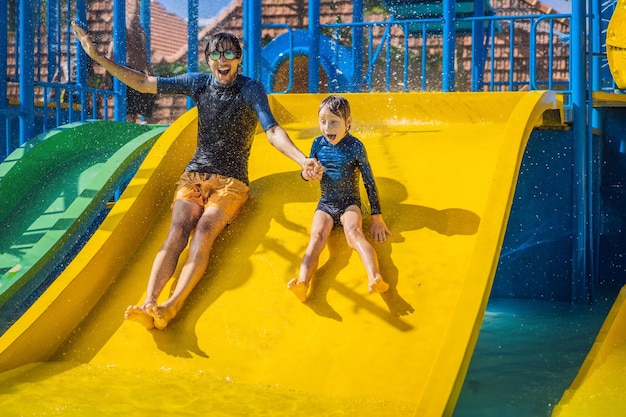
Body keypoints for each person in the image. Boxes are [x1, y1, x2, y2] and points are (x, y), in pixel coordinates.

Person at [72, 23, 323, 329]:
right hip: (194, 177)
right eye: (215, 54)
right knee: (178, 230)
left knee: (203, 232)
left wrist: (301, 159)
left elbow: (272, 131)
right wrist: (98, 58)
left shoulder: (250, 89)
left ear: (239, 58)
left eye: (229, 53)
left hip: (231, 183)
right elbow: (143, 82)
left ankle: (171, 304)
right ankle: (148, 301)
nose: (222, 59)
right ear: (208, 59)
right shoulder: (199, 84)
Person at [288, 95, 391, 302]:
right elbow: (308, 170)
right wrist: (307, 174)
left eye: (334, 122)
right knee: (316, 237)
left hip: (349, 204)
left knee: (354, 234)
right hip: (325, 204)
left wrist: (377, 217)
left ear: (348, 122)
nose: (327, 127)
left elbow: (369, 181)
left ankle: (375, 277)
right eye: (323, 121)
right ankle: (303, 283)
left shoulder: (355, 147)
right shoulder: (317, 144)